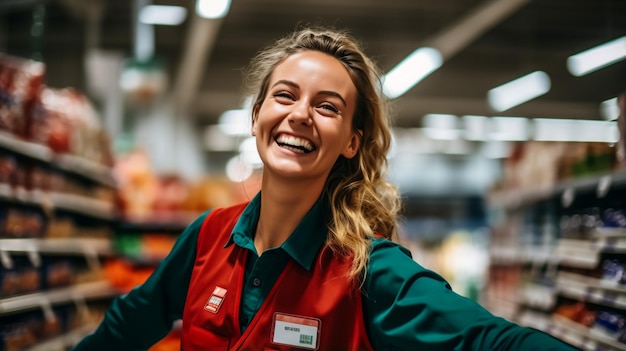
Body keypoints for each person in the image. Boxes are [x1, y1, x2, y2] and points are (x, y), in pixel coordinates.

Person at [72, 27, 578, 350]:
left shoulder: (371, 272)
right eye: (285, 95)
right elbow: (130, 322)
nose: (299, 114)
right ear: (257, 117)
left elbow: (489, 340)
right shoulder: (209, 237)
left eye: (327, 106)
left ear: (352, 142)